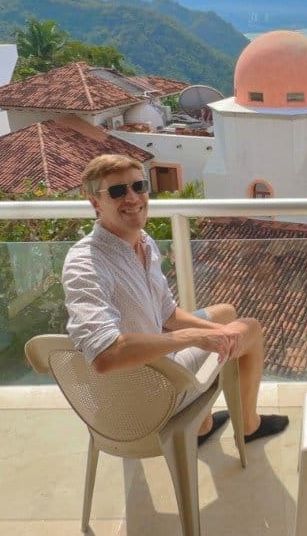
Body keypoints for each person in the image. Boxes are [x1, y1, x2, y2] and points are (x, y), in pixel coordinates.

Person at [62, 153, 288, 444]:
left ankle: (202, 425)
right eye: (117, 191)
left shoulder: (143, 242)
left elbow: (167, 313)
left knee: (226, 313)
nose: (133, 198)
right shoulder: (85, 263)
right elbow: (106, 355)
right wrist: (195, 338)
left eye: (139, 186)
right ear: (95, 202)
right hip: (147, 391)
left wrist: (217, 333)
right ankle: (248, 426)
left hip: (156, 362)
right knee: (252, 329)